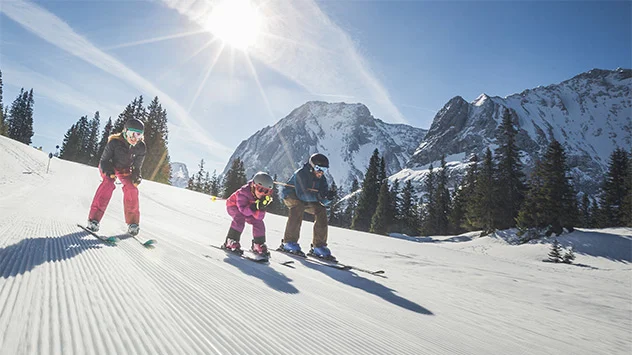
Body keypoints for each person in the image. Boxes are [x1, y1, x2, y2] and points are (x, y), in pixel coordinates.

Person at [86, 118, 146, 236]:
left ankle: (133, 223)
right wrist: (108, 172)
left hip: (124, 169)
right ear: (125, 131)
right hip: (109, 166)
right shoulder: (114, 142)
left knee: (132, 188)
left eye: (138, 135)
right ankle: (93, 219)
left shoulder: (141, 147)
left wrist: (136, 177)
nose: (134, 139)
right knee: (108, 184)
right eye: (131, 134)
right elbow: (104, 160)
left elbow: (137, 167)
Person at [280, 153, 335, 259]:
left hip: (307, 200)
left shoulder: (322, 179)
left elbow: (322, 201)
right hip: (290, 196)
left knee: (321, 209)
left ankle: (318, 246)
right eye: (319, 168)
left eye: (324, 169)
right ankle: (289, 242)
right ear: (312, 166)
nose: (321, 172)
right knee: (298, 206)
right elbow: (302, 195)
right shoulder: (301, 174)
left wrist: (327, 198)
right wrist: (319, 196)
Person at [223, 171, 274, 260]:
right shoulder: (243, 192)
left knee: (259, 222)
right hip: (233, 206)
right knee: (240, 218)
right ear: (253, 185)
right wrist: (255, 206)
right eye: (260, 189)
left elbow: (259, 217)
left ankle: (258, 244)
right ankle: (231, 240)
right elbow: (243, 211)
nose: (262, 193)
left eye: (266, 191)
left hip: (248, 210)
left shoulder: (263, 199)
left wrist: (261, 208)